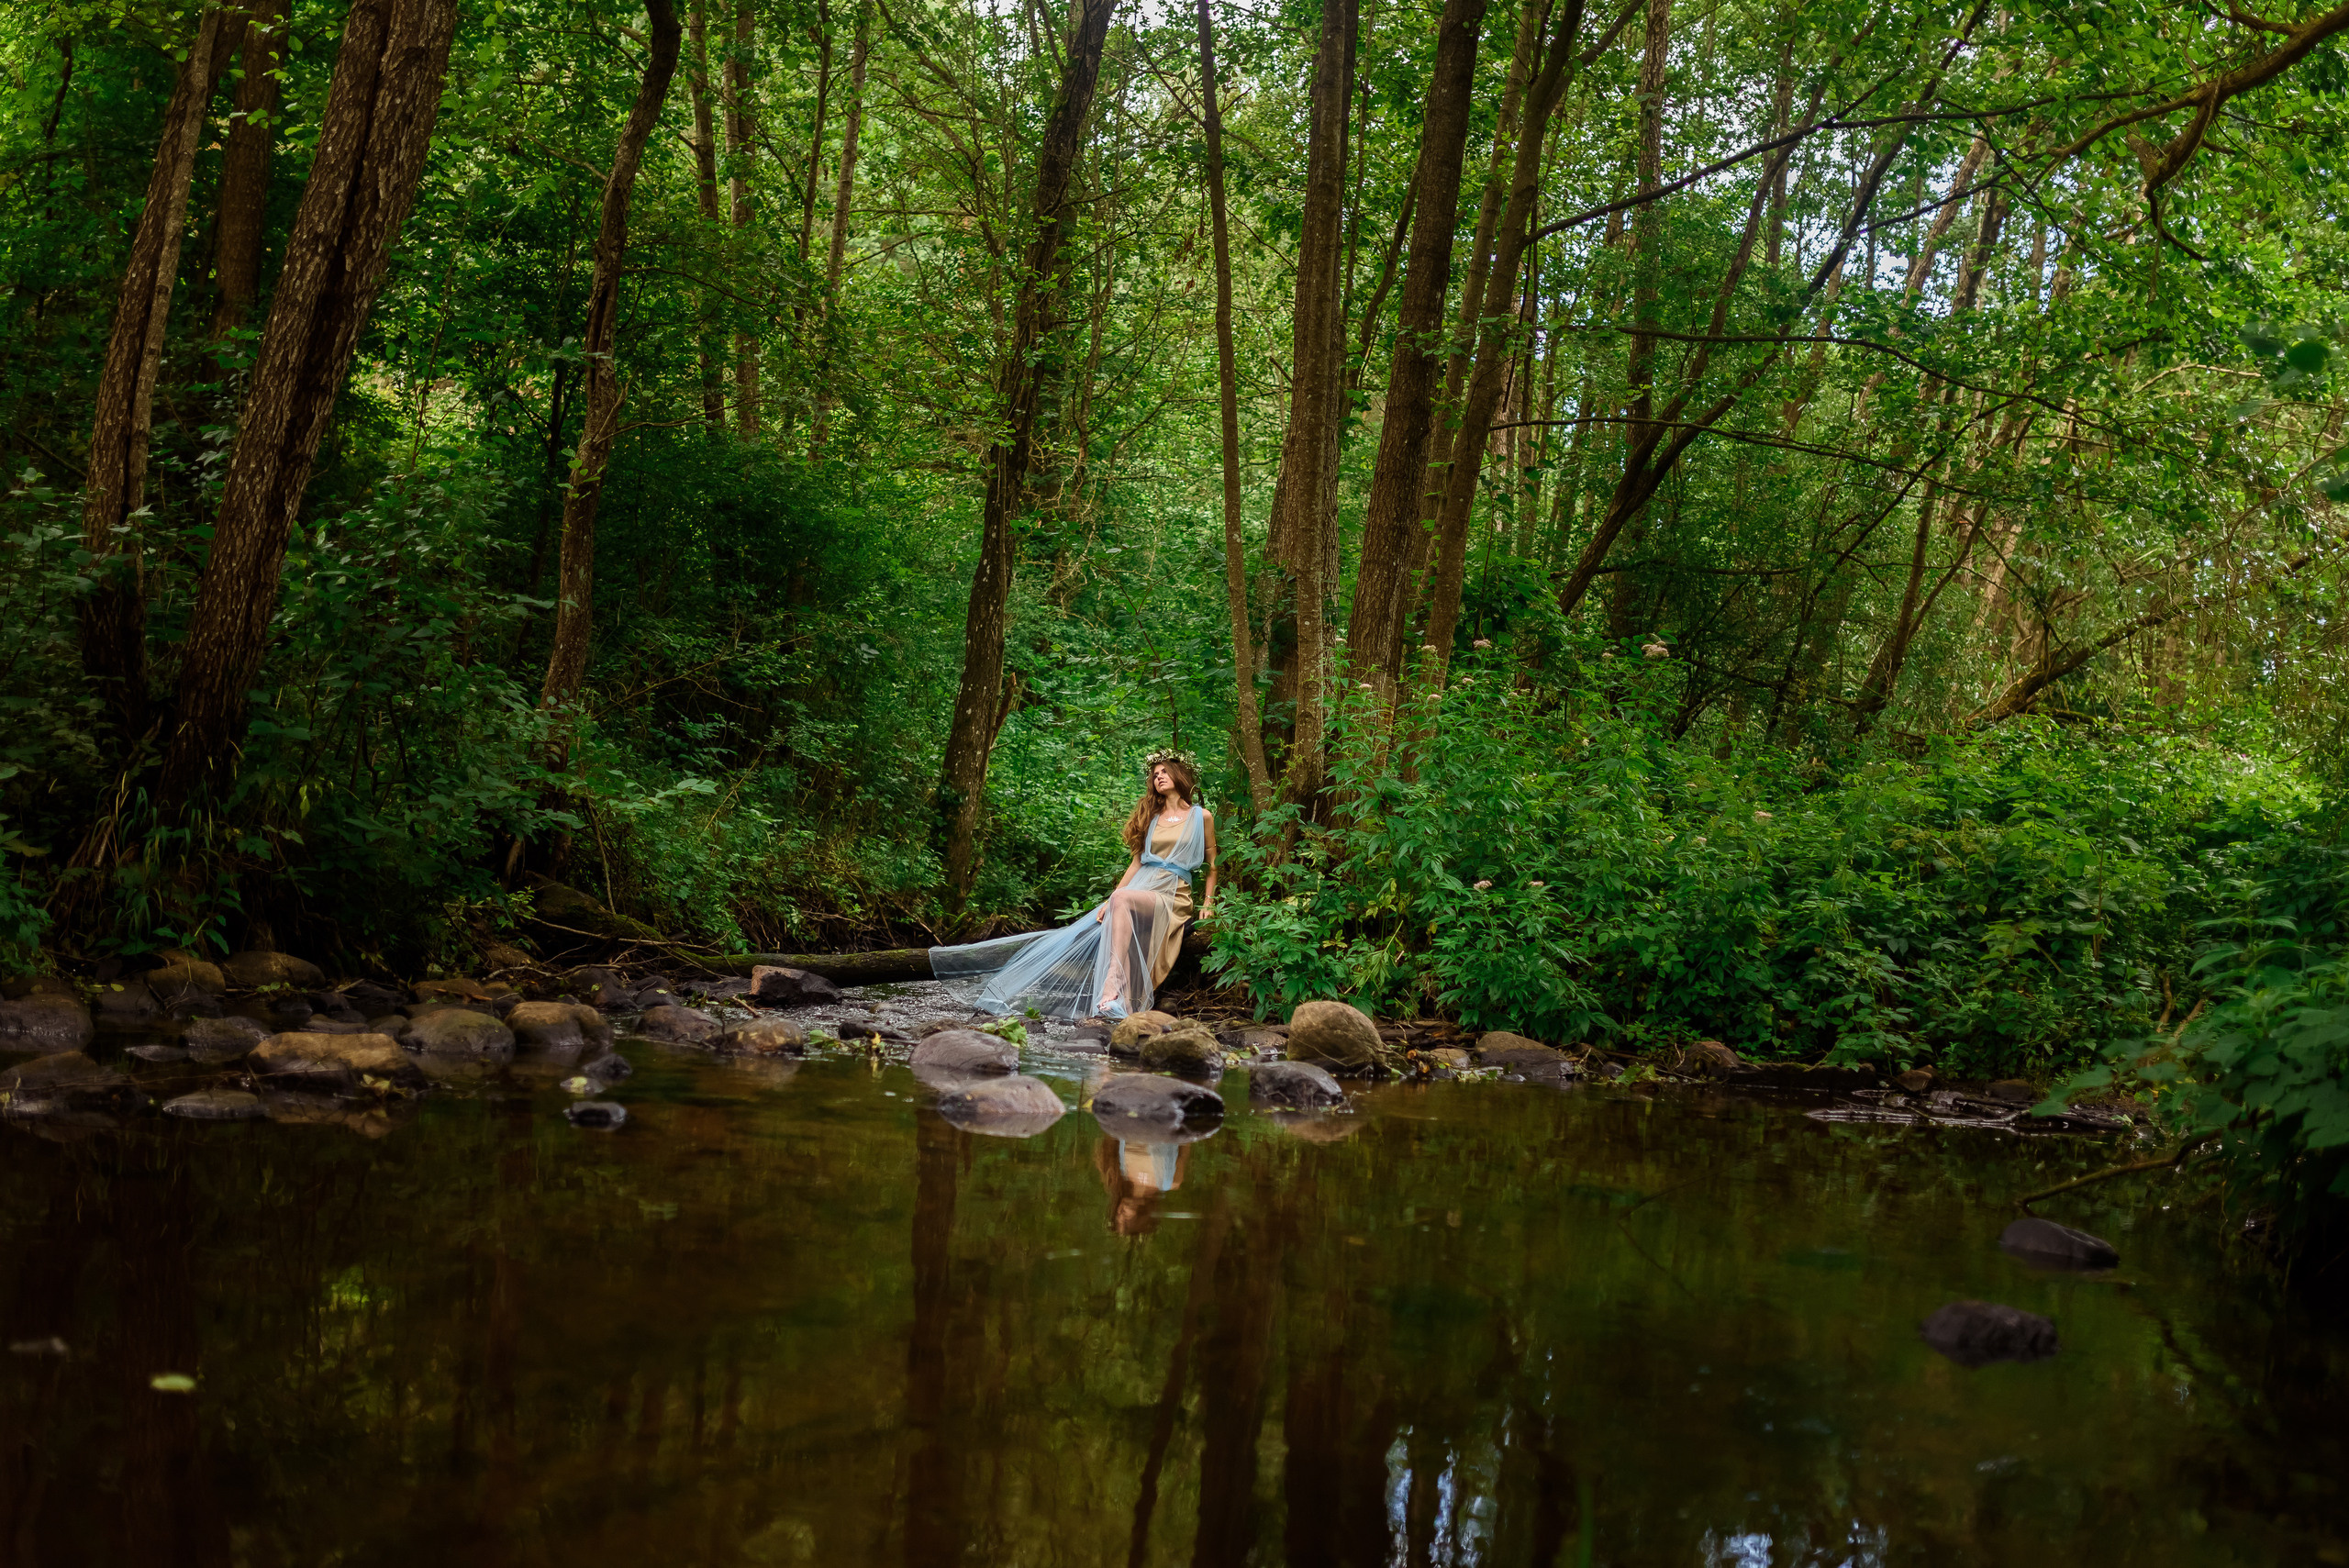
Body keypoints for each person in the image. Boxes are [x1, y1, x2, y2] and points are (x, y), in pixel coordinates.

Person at [929, 749, 1218, 1021]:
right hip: (1142, 889)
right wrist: (1111, 899)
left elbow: (1212, 865)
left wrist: (1209, 902)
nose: (1159, 777)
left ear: (1179, 774)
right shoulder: (1151, 817)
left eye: (1164, 772)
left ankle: (1113, 983)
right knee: (1104, 915)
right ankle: (1118, 1001)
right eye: (1155, 774)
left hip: (1174, 895)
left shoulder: (1201, 817)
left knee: (1120, 902)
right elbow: (1136, 864)